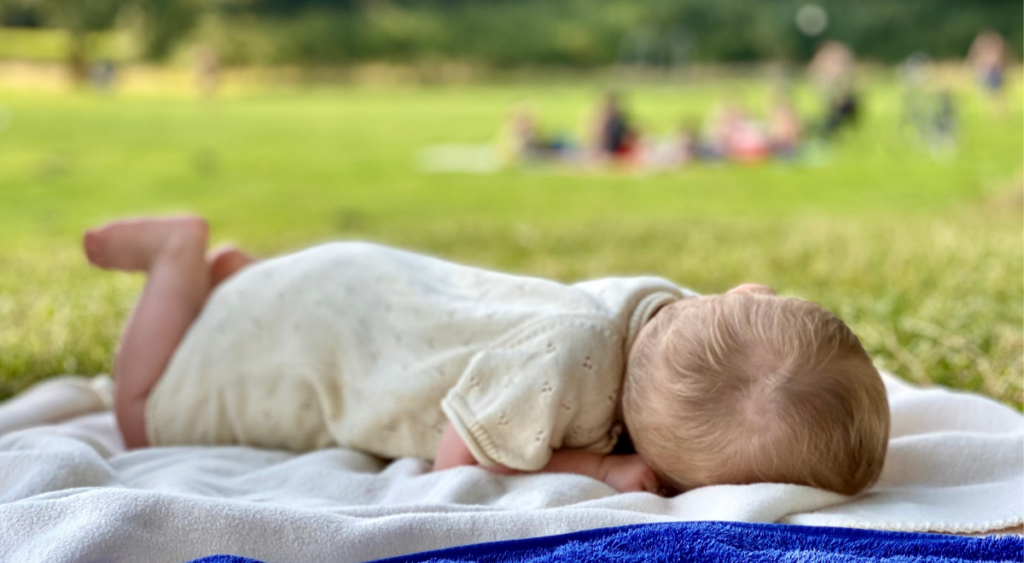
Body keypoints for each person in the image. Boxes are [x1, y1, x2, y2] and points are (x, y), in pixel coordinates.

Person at [83, 216, 890, 496]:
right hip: (322, 330)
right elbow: (452, 458)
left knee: (293, 310)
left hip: (359, 290)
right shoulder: (567, 374)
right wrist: (593, 470)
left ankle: (241, 282)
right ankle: (174, 257)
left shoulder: (664, 310)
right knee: (144, 413)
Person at [967, 30, 1008, 116]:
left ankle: (997, 112)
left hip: (993, 74)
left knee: (995, 94)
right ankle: (988, 112)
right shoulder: (989, 51)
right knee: (986, 93)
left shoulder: (993, 51)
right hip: (987, 73)